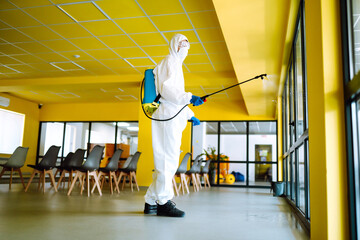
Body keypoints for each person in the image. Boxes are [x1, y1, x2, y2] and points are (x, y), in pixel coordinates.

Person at [144, 33, 204, 217]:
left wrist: (189, 113)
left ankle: (150, 201)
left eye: (187, 43)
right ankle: (162, 202)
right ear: (174, 45)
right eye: (182, 43)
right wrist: (189, 97)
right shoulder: (169, 61)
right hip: (166, 117)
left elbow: (175, 97)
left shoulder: (177, 65)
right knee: (166, 160)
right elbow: (167, 90)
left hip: (173, 117)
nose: (185, 46)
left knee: (168, 160)